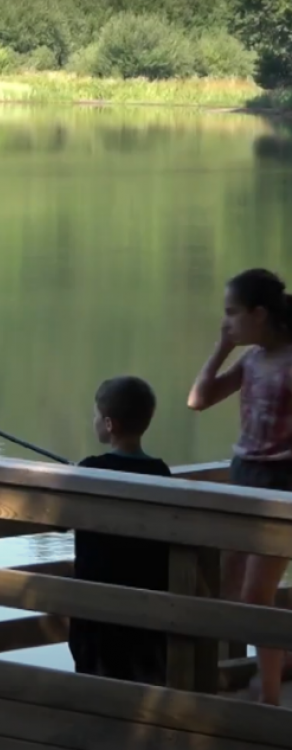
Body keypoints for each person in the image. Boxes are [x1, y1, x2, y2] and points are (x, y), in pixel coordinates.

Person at [188, 267, 292, 706]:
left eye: (232, 314)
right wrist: (222, 346)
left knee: (255, 593)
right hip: (242, 477)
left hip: (280, 484)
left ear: (260, 314)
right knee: (231, 585)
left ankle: (267, 694)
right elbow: (199, 399)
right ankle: (278, 658)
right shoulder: (250, 360)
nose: (225, 322)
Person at [69, 375, 171, 685]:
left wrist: (76, 474)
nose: (95, 421)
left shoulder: (91, 469)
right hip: (148, 607)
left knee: (96, 682)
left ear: (109, 424)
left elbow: (61, 516)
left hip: (96, 609)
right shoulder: (160, 472)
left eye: (96, 416)